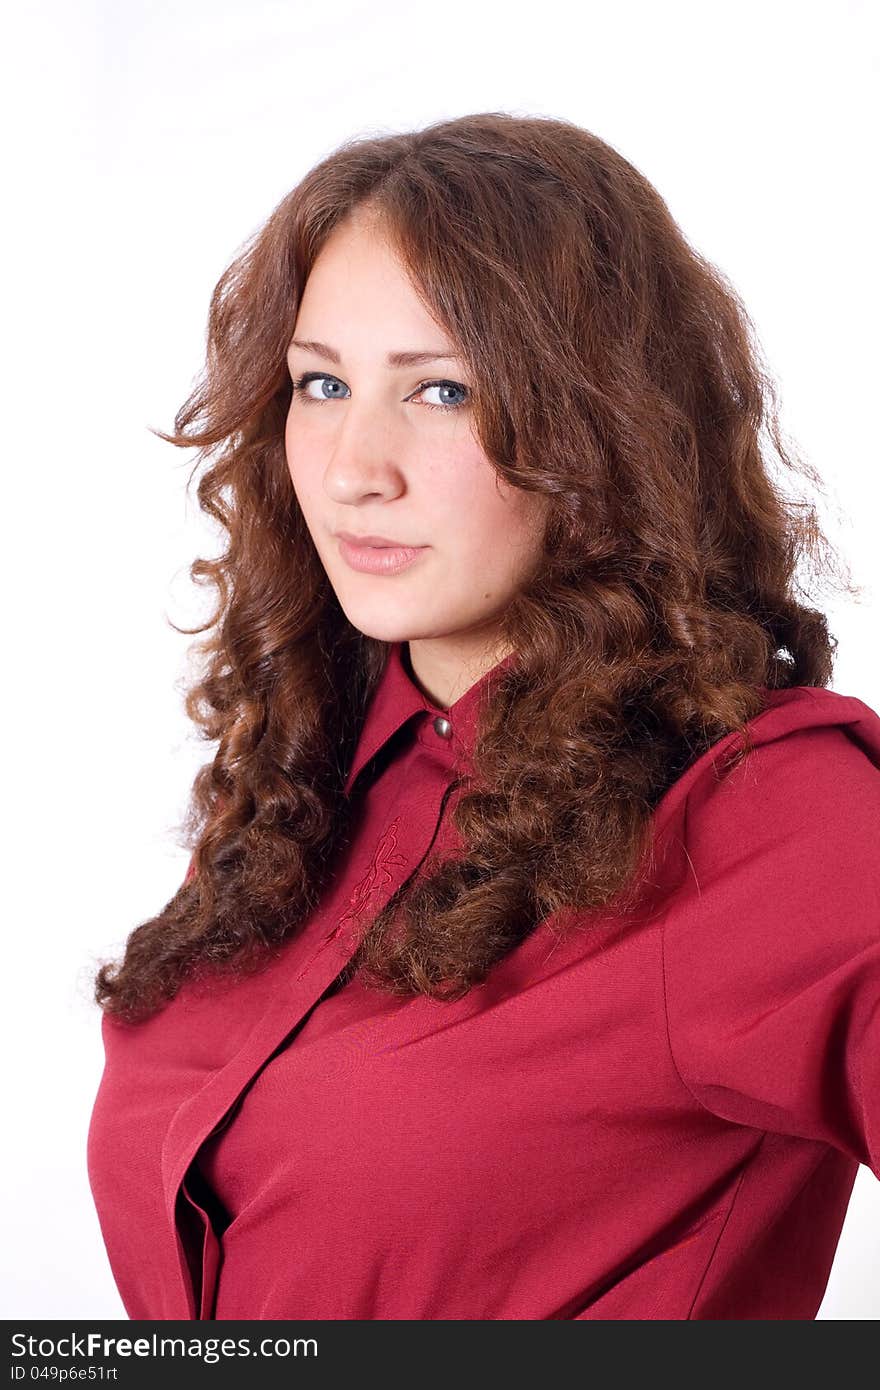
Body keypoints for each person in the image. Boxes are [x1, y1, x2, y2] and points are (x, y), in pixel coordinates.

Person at [86, 111, 880, 1321]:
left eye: (443, 390)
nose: (356, 464)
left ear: (605, 427)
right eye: (322, 382)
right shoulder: (307, 777)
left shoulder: (759, 814)